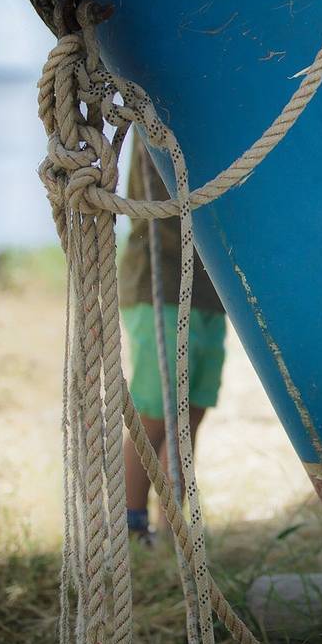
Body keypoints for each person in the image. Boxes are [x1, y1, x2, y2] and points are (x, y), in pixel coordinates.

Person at [119, 145, 227, 539]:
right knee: (156, 414)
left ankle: (172, 532)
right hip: (160, 284)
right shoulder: (157, 114)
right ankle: (130, 522)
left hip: (212, 291)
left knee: (190, 415)